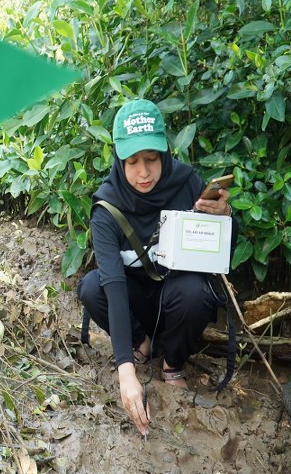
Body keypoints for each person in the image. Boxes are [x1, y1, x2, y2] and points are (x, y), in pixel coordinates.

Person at [76, 98, 237, 436]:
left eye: (151, 159)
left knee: (195, 293)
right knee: (91, 287)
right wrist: (125, 370)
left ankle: (172, 363)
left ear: (165, 152)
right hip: (135, 299)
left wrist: (226, 220)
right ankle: (143, 343)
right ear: (119, 160)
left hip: (176, 296)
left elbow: (220, 254)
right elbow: (114, 287)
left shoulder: (188, 184)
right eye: (132, 161)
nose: (143, 172)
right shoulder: (107, 209)